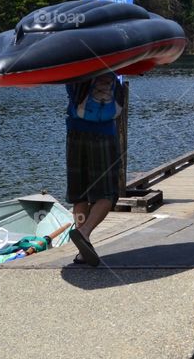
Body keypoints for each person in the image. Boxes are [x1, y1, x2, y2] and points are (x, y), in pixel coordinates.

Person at [64, 72, 125, 266]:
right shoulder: (113, 63)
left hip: (75, 133)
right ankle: (85, 231)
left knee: (79, 194)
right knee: (108, 194)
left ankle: (83, 250)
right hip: (104, 134)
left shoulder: (74, 63)